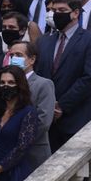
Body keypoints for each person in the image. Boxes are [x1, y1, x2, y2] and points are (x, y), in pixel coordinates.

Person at [35, 0, 91, 150]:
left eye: (61, 10)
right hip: (48, 121)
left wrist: (61, 106)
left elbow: (89, 78)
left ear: (75, 13)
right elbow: (39, 75)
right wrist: (48, 105)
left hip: (76, 118)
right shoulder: (44, 41)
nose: (56, 14)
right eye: (53, 10)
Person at [7, 41, 55, 169]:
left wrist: (20, 142)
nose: (14, 59)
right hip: (7, 153)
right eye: (12, 56)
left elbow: (43, 121)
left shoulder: (43, 84)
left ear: (32, 59)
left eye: (19, 55)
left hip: (34, 152)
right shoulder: (5, 83)